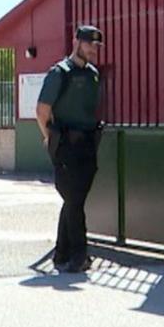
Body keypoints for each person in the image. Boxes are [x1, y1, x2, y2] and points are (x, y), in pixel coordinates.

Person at [35, 25, 105, 274]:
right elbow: (42, 110)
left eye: (96, 46)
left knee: (74, 199)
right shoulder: (60, 73)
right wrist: (51, 141)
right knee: (74, 199)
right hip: (66, 145)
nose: (93, 50)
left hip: (87, 144)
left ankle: (61, 252)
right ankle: (79, 254)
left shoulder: (93, 75)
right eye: (89, 44)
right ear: (77, 42)